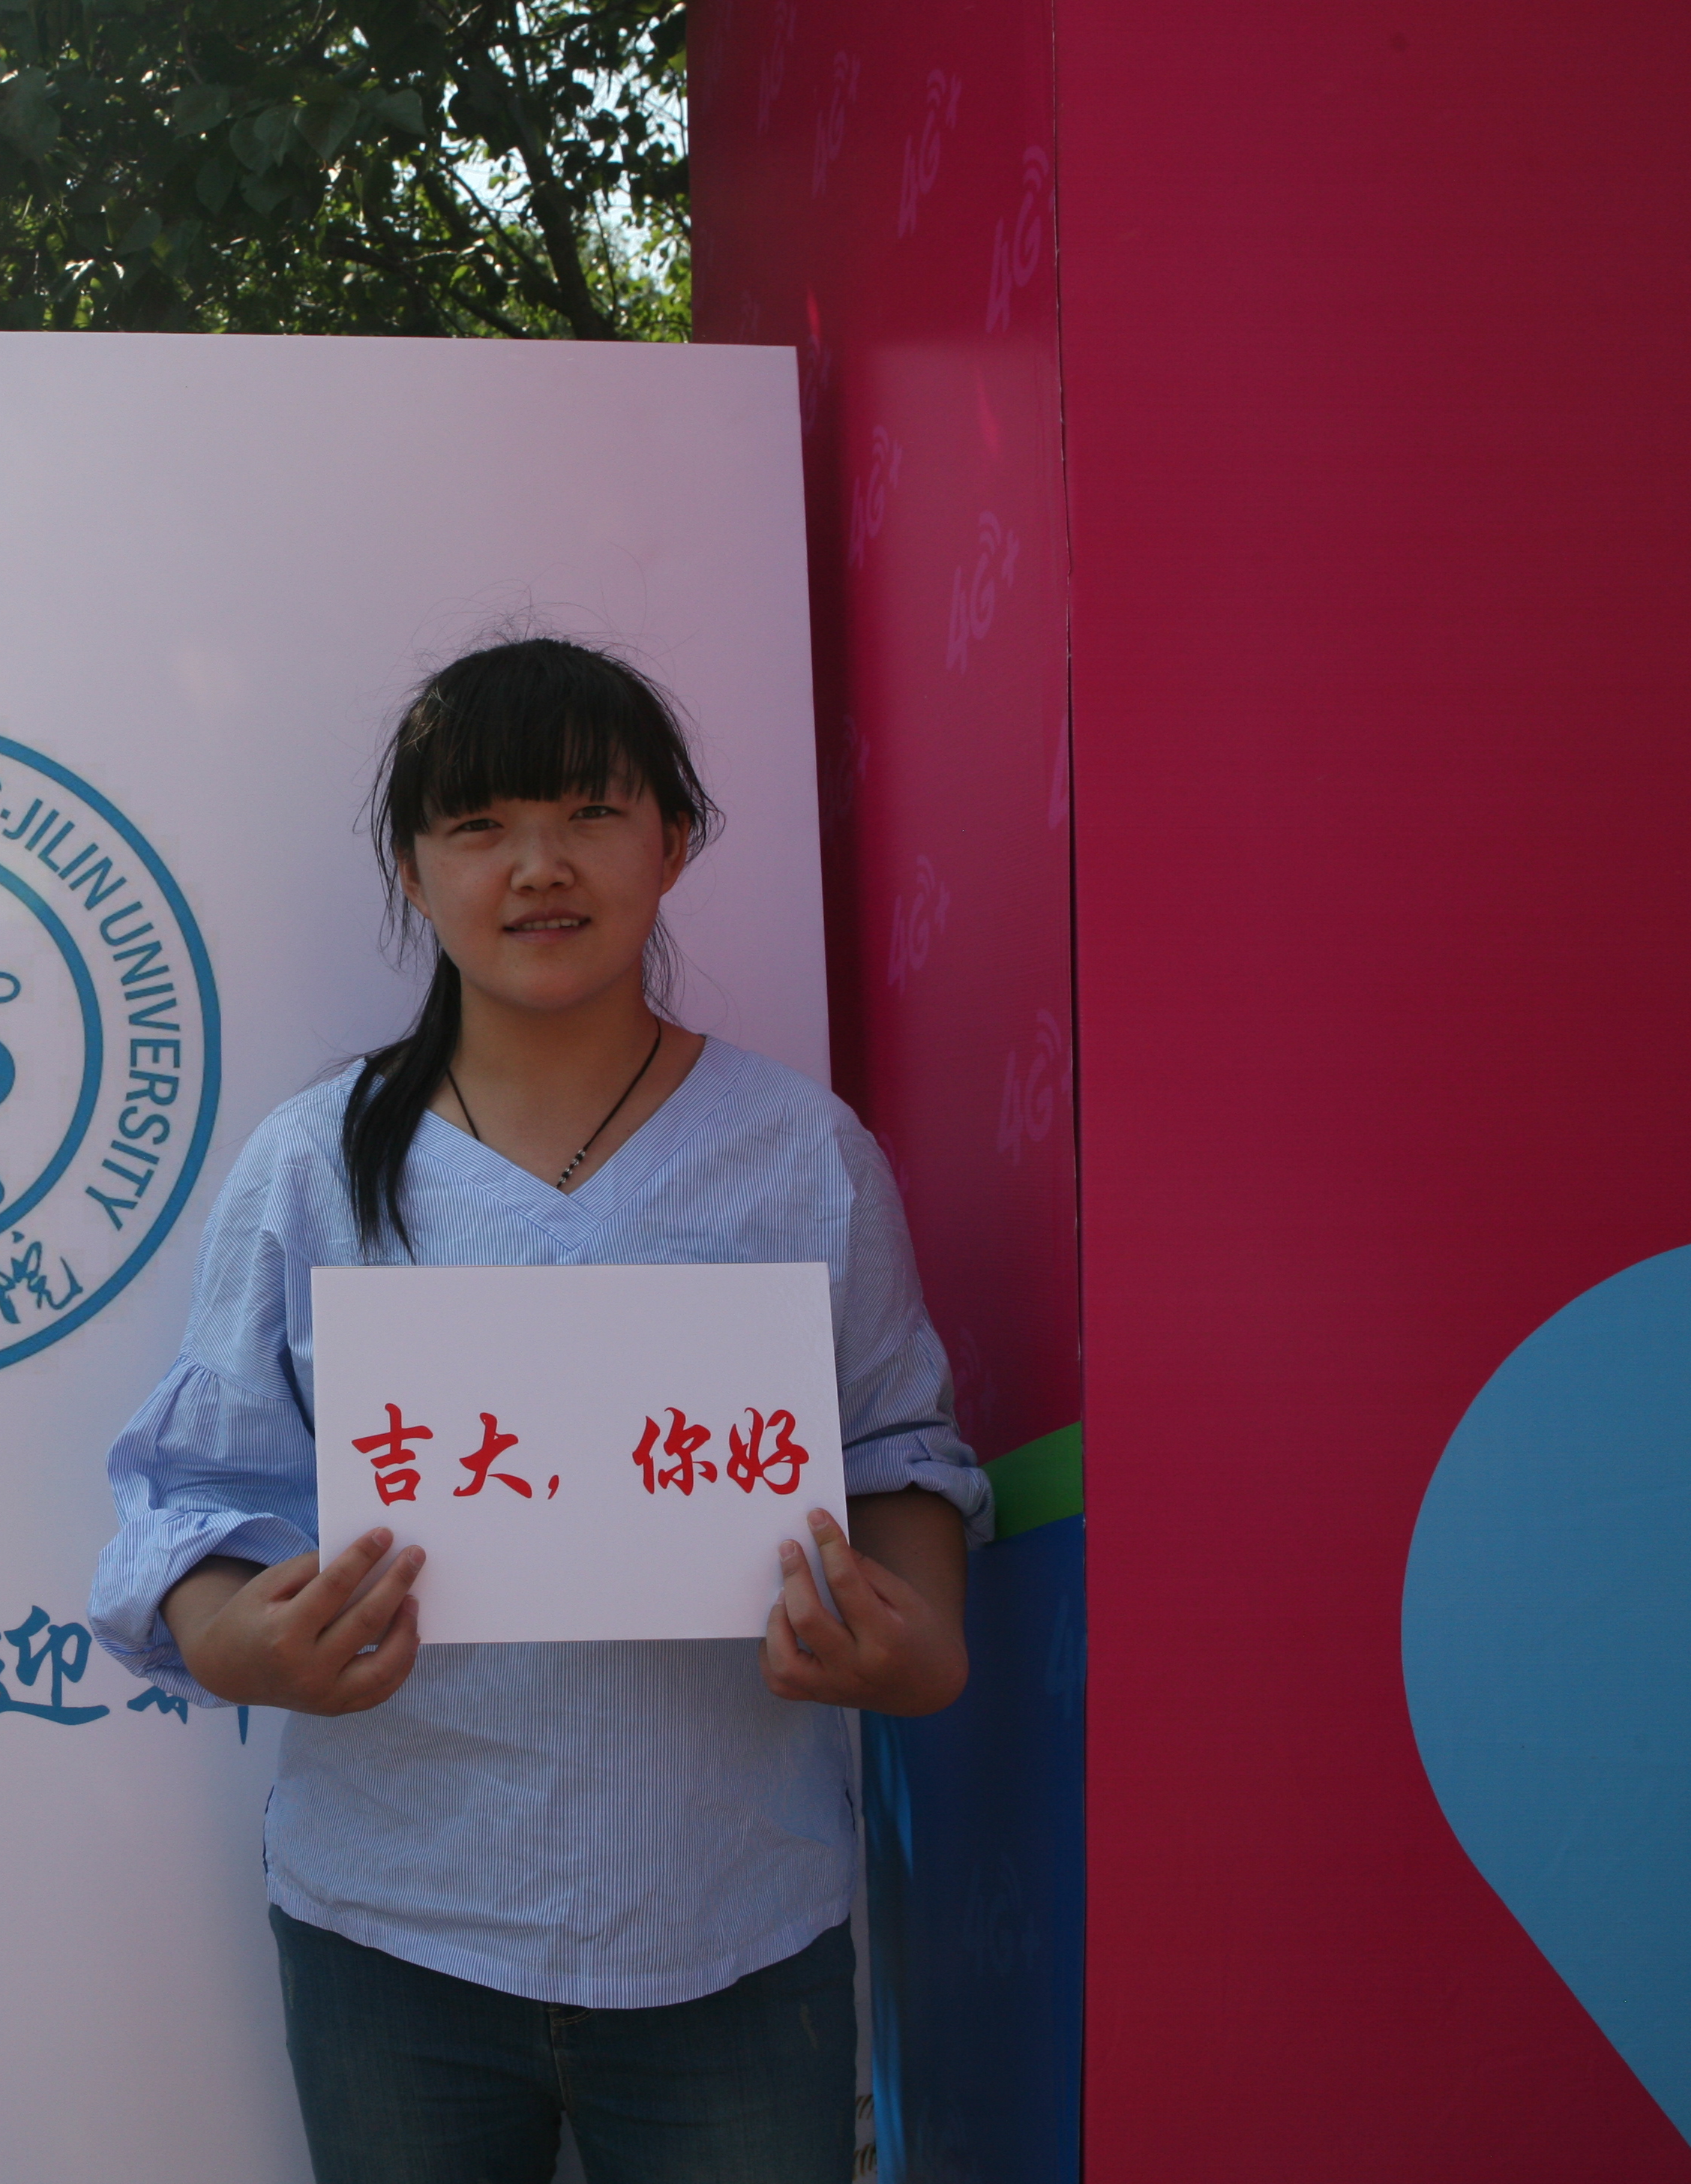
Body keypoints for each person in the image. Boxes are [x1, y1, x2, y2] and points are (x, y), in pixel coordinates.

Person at [88, 638, 991, 2184]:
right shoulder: (312, 1164)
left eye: (589, 811)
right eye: (479, 825)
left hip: (732, 1923)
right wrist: (241, 1643)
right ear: (410, 869)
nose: (538, 866)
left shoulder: (799, 1152)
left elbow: (897, 1448)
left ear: (674, 841)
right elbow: (192, 1492)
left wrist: (915, 1633)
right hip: (391, 1930)